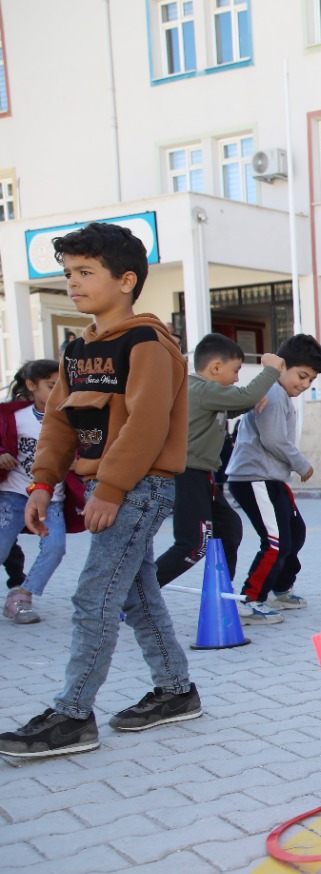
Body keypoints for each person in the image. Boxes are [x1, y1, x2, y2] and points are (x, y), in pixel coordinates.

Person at [0, 222, 202, 758]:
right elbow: (59, 424)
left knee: (95, 596)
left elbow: (146, 425)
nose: (73, 283)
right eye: (69, 273)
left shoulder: (148, 344)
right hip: (108, 489)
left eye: (86, 272)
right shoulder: (77, 350)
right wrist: (42, 484)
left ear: (126, 280)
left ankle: (72, 716)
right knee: (134, 594)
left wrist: (109, 489)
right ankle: (176, 692)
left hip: (138, 487)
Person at [154, 334, 283, 589]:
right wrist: (270, 369)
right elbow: (244, 396)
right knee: (193, 545)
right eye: (235, 371)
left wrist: (251, 401)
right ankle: (136, 595)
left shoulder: (203, 393)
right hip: (187, 475)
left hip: (203, 476)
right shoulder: (200, 389)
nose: (236, 378)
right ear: (215, 367)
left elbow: (233, 405)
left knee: (229, 528)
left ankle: (219, 593)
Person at [227, 334, 321, 623]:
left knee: (295, 532)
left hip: (271, 478)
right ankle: (251, 600)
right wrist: (301, 463)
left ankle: (280, 587)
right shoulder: (272, 391)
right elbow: (273, 440)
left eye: (311, 381)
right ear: (282, 367)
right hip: (255, 478)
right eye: (302, 376)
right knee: (275, 541)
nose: (305, 385)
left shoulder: (281, 394)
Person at [1, 360, 83, 624]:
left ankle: (22, 597)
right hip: (13, 497)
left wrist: (78, 462)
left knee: (56, 548)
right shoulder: (11, 416)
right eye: (51, 385)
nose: (59, 391)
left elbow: (90, 452)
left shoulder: (74, 419)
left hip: (53, 499)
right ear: (31, 386)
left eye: (63, 385)